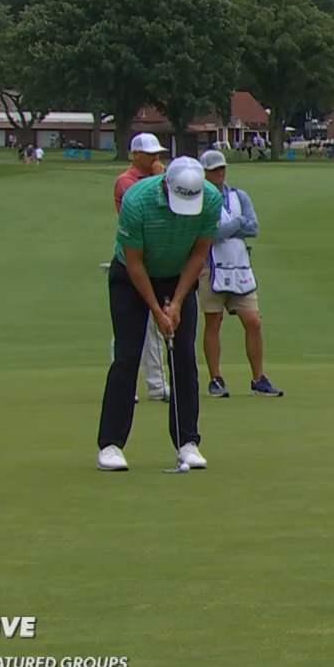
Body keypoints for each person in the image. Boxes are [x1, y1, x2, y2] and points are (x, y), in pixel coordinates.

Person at [96, 156, 221, 472]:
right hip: (132, 277)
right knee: (127, 356)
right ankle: (110, 445)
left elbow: (199, 253)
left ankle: (187, 442)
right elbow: (134, 263)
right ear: (166, 186)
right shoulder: (137, 200)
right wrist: (157, 310)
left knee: (184, 357)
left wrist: (177, 302)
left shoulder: (210, 199)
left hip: (179, 275)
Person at [196, 150, 284, 399]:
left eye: (222, 168)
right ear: (204, 173)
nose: (220, 174)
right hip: (210, 267)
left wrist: (228, 227)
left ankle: (258, 378)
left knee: (253, 321)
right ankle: (215, 378)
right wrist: (237, 224)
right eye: (214, 170)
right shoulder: (199, 198)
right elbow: (210, 233)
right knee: (214, 322)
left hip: (240, 266)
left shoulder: (239, 196)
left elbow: (253, 227)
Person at [113, 133, 170, 402]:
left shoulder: (158, 179)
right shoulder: (126, 182)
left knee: (153, 326)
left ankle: (157, 384)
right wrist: (160, 178)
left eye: (157, 153)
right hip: (133, 260)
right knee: (128, 328)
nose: (156, 158)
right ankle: (126, 385)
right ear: (135, 155)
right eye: (150, 154)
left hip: (154, 262)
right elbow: (147, 207)